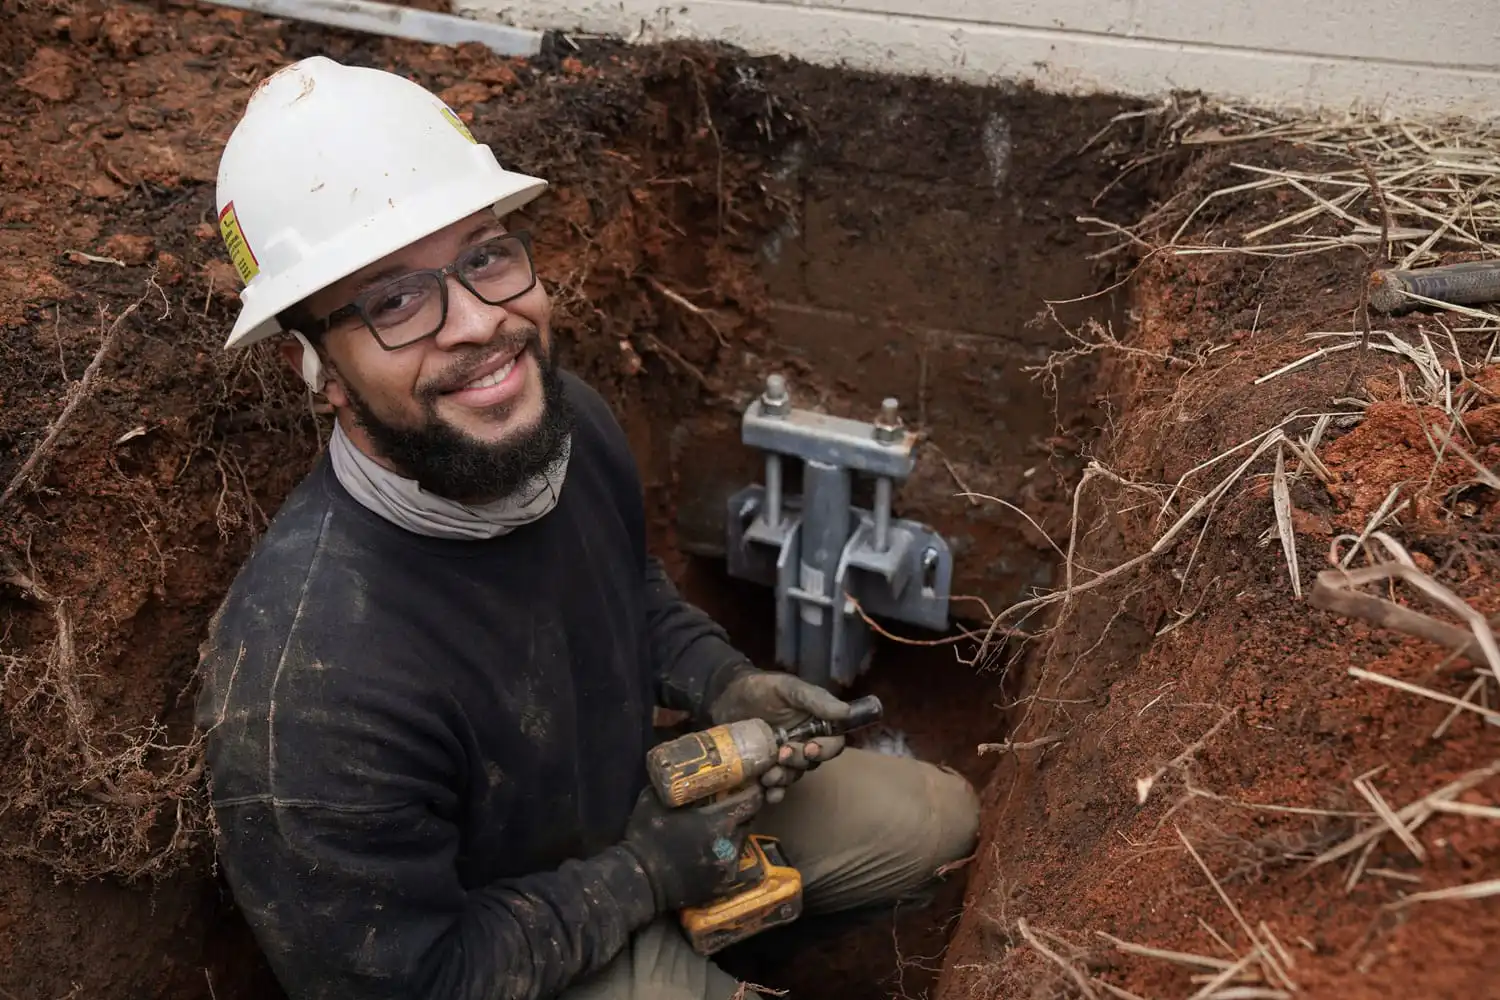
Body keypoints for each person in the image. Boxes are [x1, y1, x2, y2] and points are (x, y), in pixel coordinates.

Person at [194, 55, 979, 1000]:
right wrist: (645, 875)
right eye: (395, 301)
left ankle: (726, 951)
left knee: (935, 822)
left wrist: (723, 682)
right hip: (502, 947)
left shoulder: (561, 424)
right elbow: (407, 981)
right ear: (313, 366)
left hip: (633, 827)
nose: (479, 324)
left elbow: (627, 590)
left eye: (485, 255)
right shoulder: (309, 689)